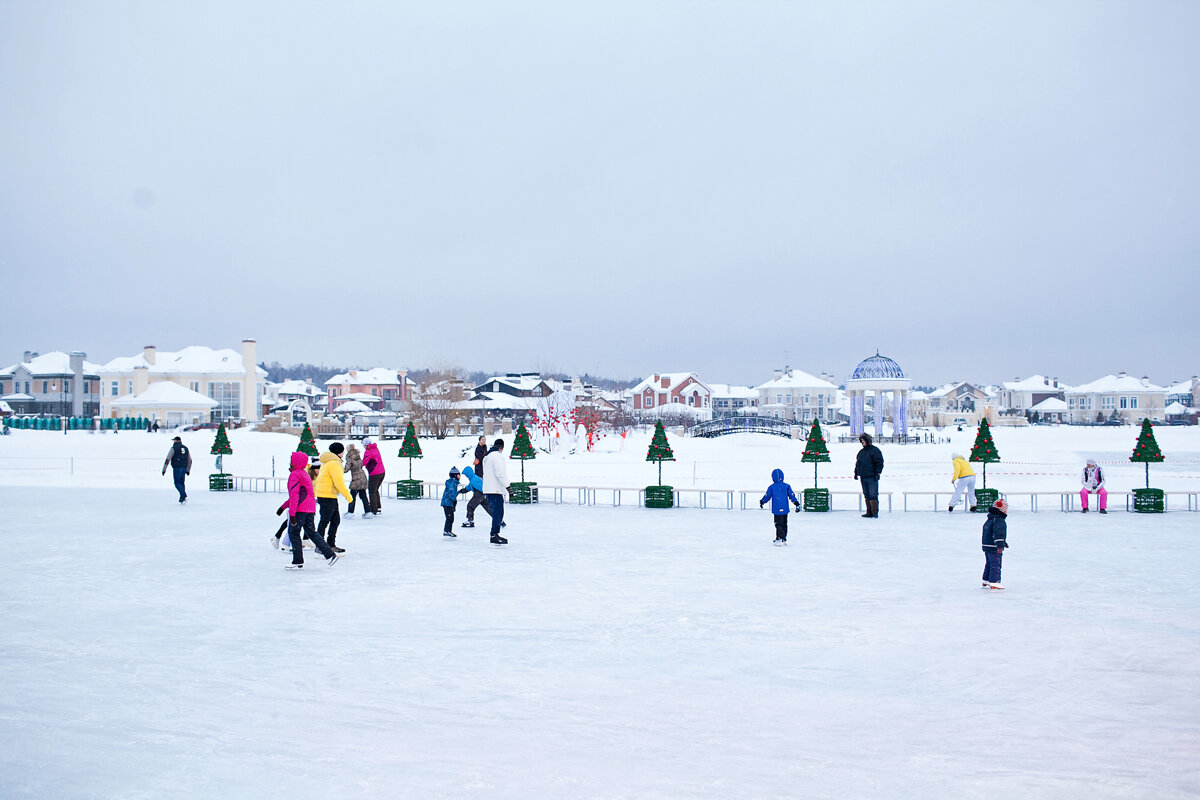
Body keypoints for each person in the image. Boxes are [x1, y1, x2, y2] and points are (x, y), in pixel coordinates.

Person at [283, 450, 338, 570]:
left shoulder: (295, 475)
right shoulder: (304, 474)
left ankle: (297, 560)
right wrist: (283, 506)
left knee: (293, 532)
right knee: (311, 533)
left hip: (300, 509)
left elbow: (295, 495)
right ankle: (330, 555)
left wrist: (292, 513)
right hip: (309, 508)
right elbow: (305, 493)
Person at [314, 442, 352, 553]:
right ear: (339, 452)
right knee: (325, 521)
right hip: (327, 496)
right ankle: (320, 546)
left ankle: (330, 544)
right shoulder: (334, 463)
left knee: (335, 520)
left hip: (326, 495)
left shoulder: (328, 462)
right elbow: (338, 482)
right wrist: (348, 496)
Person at [759, 468, 800, 545]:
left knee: (778, 523)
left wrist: (762, 501)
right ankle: (783, 537)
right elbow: (791, 495)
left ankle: (780, 538)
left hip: (777, 509)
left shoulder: (772, 487)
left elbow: (767, 496)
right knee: (784, 523)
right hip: (785, 509)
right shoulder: (786, 486)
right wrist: (796, 503)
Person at [481, 438, 510, 546]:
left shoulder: (487, 457)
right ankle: (494, 535)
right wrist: (508, 487)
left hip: (489, 489)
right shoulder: (497, 456)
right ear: (501, 448)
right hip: (496, 489)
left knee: (496, 513)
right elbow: (500, 473)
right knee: (498, 513)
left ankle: (495, 534)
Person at [853, 433, 884, 518]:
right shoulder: (861, 452)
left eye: (863, 441)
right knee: (866, 494)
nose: (862, 442)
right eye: (861, 441)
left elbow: (879, 463)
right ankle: (869, 511)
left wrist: (877, 473)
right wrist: (856, 473)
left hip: (872, 477)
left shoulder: (875, 450)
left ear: (867, 441)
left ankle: (874, 512)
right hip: (863, 477)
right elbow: (858, 464)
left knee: (873, 494)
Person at [981, 497, 1009, 589]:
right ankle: (994, 581)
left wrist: (1002, 542)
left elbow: (989, 533)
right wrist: (1000, 544)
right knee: (996, 564)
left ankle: (986, 579)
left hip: (987, 545)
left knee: (989, 563)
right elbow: (998, 533)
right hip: (994, 546)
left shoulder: (990, 519)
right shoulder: (999, 520)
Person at [440, 467, 470, 538]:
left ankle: (447, 530)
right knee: (450, 518)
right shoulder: (452, 483)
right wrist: (454, 501)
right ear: (455, 475)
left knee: (450, 517)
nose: (460, 477)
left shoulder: (453, 482)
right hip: (448, 503)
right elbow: (451, 494)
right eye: (459, 475)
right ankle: (447, 531)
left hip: (447, 502)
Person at [161, 436, 192, 503]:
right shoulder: (186, 448)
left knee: (177, 483)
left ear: (176, 441)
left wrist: (164, 469)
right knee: (182, 483)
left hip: (177, 467)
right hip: (184, 467)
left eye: (174, 440)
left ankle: (184, 495)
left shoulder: (173, 448)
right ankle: (182, 498)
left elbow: (168, 459)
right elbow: (190, 460)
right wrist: (188, 469)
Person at [362, 437, 386, 516]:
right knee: (375, 490)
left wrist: (357, 464)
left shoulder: (368, 451)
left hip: (374, 474)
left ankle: (373, 509)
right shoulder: (375, 448)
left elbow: (364, 462)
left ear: (366, 445)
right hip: (382, 472)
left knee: (372, 491)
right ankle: (378, 507)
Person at [344, 443, 370, 516]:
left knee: (352, 496)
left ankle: (350, 512)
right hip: (362, 476)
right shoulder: (357, 456)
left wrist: (339, 470)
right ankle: (368, 511)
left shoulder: (350, 458)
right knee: (363, 495)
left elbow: (346, 469)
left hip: (356, 478)